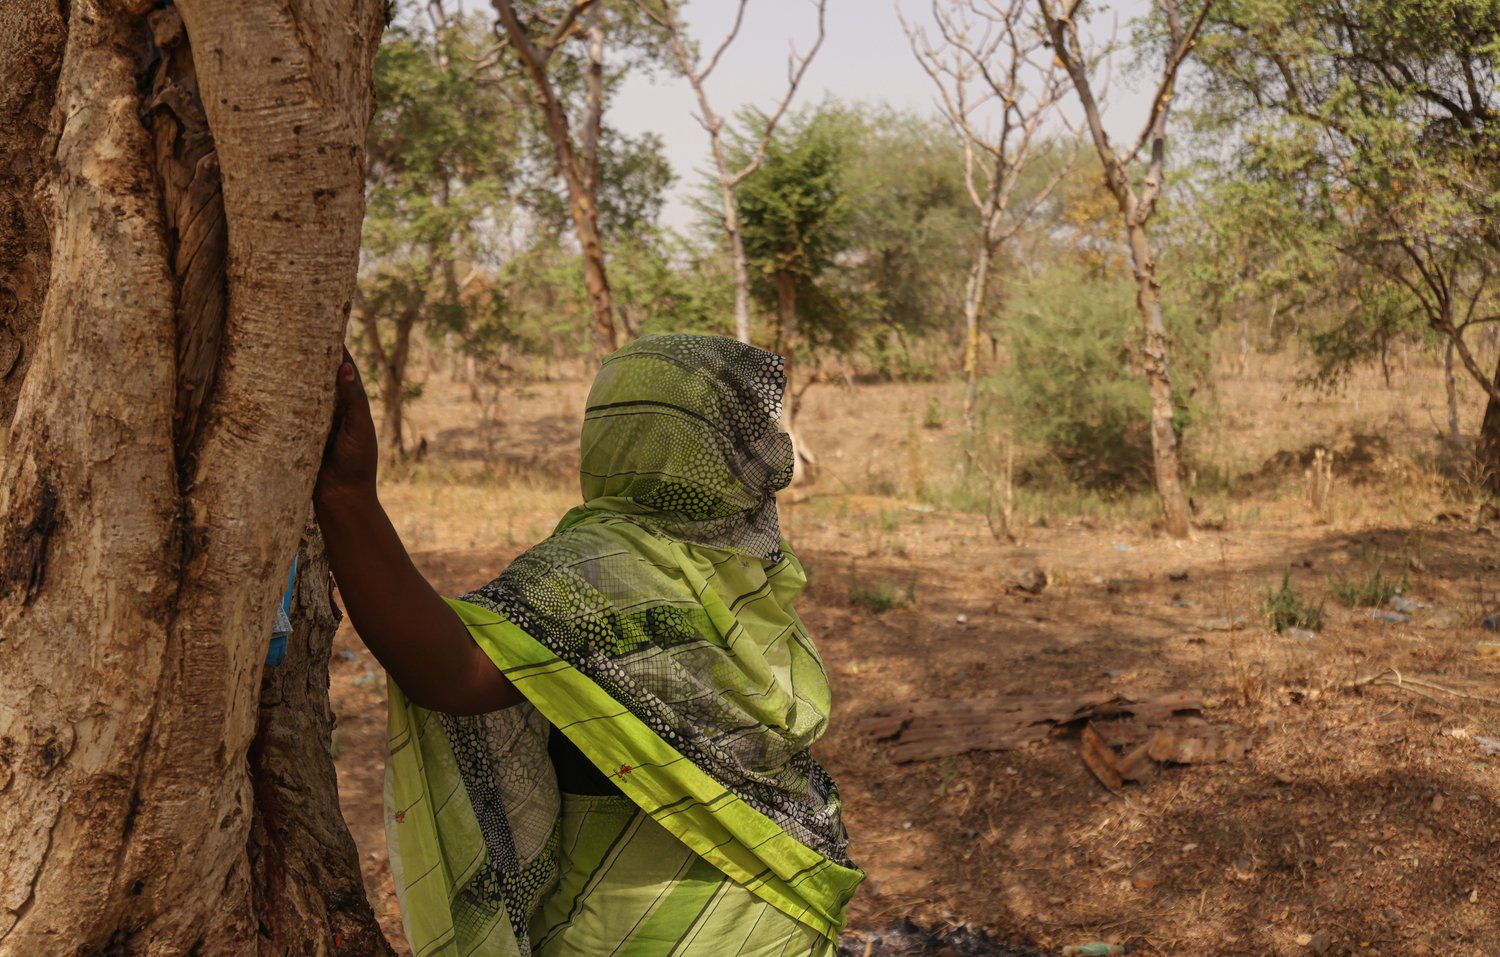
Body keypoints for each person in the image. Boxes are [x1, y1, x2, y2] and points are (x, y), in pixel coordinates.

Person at [314, 334, 862, 957]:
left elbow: (453, 674)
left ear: (616, 441)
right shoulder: (752, 572)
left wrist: (347, 498)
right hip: (778, 917)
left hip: (643, 931)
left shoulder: (606, 569)